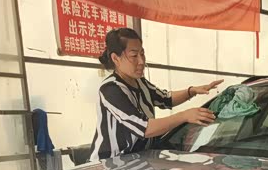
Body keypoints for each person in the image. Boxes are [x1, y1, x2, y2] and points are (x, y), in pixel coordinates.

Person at [89, 27, 221, 161]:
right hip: (110, 164)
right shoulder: (111, 89)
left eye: (142, 54)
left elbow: (166, 99)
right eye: (134, 56)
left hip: (138, 160)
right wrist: (184, 116)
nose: (141, 61)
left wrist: (192, 91)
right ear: (115, 58)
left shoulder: (140, 82)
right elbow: (144, 128)